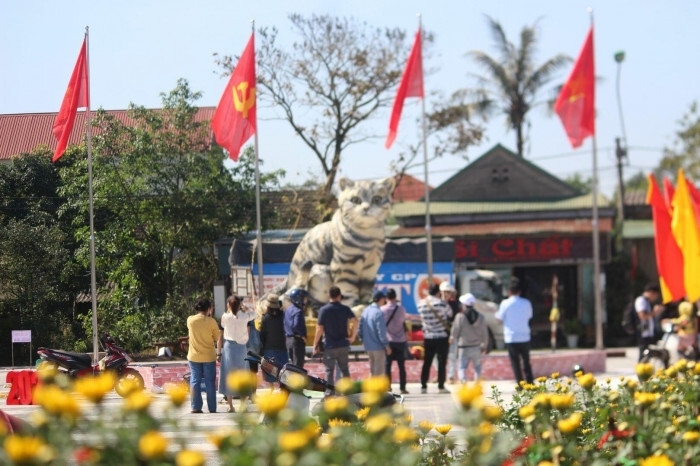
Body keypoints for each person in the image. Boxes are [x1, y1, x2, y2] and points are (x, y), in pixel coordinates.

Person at [313, 285, 358, 395]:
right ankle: (348, 393)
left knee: (329, 371)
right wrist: (352, 337)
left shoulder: (324, 310)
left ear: (329, 296)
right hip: (343, 344)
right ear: (339, 296)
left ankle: (330, 394)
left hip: (330, 345)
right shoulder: (345, 309)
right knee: (344, 370)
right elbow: (355, 321)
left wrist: (315, 344)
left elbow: (320, 328)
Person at [217, 295, 256, 413]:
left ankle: (230, 405)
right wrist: (245, 308)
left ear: (228, 305)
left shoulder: (225, 317)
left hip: (229, 347)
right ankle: (243, 405)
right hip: (241, 348)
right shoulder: (245, 317)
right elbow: (255, 314)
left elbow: (223, 328)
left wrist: (231, 309)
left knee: (228, 374)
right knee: (243, 373)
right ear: (239, 305)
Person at [495, 278, 534, 386]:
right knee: (526, 361)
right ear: (520, 292)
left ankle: (520, 384)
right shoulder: (526, 303)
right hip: (524, 336)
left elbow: (499, 318)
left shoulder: (505, 303)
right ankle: (530, 383)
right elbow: (530, 316)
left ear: (509, 292)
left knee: (515, 362)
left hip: (511, 337)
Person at [417, 283, 453, 394]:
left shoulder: (421, 304)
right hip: (441, 337)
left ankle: (423, 385)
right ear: (439, 292)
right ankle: (441, 386)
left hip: (428, 337)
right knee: (442, 362)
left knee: (427, 362)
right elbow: (450, 314)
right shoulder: (442, 304)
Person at [186, 298, 220, 414]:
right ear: (209, 309)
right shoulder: (212, 321)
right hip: (209, 356)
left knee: (195, 380)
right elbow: (216, 338)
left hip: (194, 356)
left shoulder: (190, 320)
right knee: (210, 382)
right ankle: (212, 408)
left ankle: (195, 407)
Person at [451, 293, 489, 382]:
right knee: (477, 367)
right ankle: (477, 384)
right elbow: (485, 333)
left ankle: (463, 382)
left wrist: (452, 338)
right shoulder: (481, 317)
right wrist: (485, 345)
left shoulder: (460, 316)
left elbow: (455, 330)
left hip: (463, 346)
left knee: (462, 367)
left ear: (464, 304)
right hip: (476, 346)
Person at [381, 288, 409, 394]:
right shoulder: (401, 309)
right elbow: (403, 321)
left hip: (388, 341)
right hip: (400, 340)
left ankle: (388, 387)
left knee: (387, 365)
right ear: (395, 297)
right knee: (401, 366)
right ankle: (403, 387)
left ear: (386, 298)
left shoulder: (382, 310)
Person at [359, 290, 392, 376]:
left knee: (372, 370)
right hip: (378, 347)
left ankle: (371, 388)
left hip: (368, 346)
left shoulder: (366, 311)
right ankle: (376, 389)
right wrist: (386, 346)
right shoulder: (378, 313)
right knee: (379, 372)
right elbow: (381, 332)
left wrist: (362, 340)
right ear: (381, 299)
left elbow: (360, 328)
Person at [260, 293, 289, 385]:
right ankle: (282, 390)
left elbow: (262, 335)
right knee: (283, 372)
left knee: (270, 371)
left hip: (269, 348)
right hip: (283, 348)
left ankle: (271, 389)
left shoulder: (265, 318)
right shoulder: (284, 316)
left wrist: (262, 349)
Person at [636, 283, 664, 361]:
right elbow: (642, 316)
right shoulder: (641, 300)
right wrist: (655, 312)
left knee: (648, 354)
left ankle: (645, 369)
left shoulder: (647, 302)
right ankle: (641, 370)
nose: (655, 298)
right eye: (655, 295)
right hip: (642, 333)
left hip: (647, 333)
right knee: (643, 354)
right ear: (651, 292)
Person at [440, 282, 462, 384]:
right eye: (444, 292)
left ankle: (451, 376)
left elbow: (457, 320)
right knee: (438, 357)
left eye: (448, 292)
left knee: (452, 356)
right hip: (439, 334)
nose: (446, 294)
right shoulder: (438, 303)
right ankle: (440, 375)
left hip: (452, 333)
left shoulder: (455, 305)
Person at [284, 288, 309, 369]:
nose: (306, 300)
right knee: (298, 367)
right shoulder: (298, 311)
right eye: (304, 298)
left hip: (288, 340)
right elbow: (296, 325)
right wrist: (302, 336)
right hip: (297, 341)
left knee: (292, 366)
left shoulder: (288, 310)